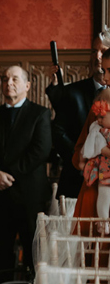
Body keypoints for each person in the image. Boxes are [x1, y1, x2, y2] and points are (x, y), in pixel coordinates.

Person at [0, 65, 52, 274]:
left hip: (29, 195)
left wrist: (9, 174)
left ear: (27, 85)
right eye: (4, 79)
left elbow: (41, 150)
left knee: (32, 251)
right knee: (1, 252)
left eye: (14, 79)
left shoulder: (40, 114)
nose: (8, 83)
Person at [48, 32, 110, 198]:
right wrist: (81, 158)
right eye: (93, 51)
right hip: (77, 179)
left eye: (103, 51)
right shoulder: (73, 92)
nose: (97, 56)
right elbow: (58, 132)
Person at [73, 50, 110, 221]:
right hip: (98, 186)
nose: (105, 78)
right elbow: (81, 147)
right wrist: (83, 158)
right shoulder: (102, 101)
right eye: (104, 71)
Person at [80, 94, 110, 226]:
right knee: (104, 195)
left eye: (102, 117)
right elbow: (103, 150)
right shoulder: (98, 131)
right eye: (97, 117)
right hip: (106, 169)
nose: (98, 120)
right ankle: (103, 223)